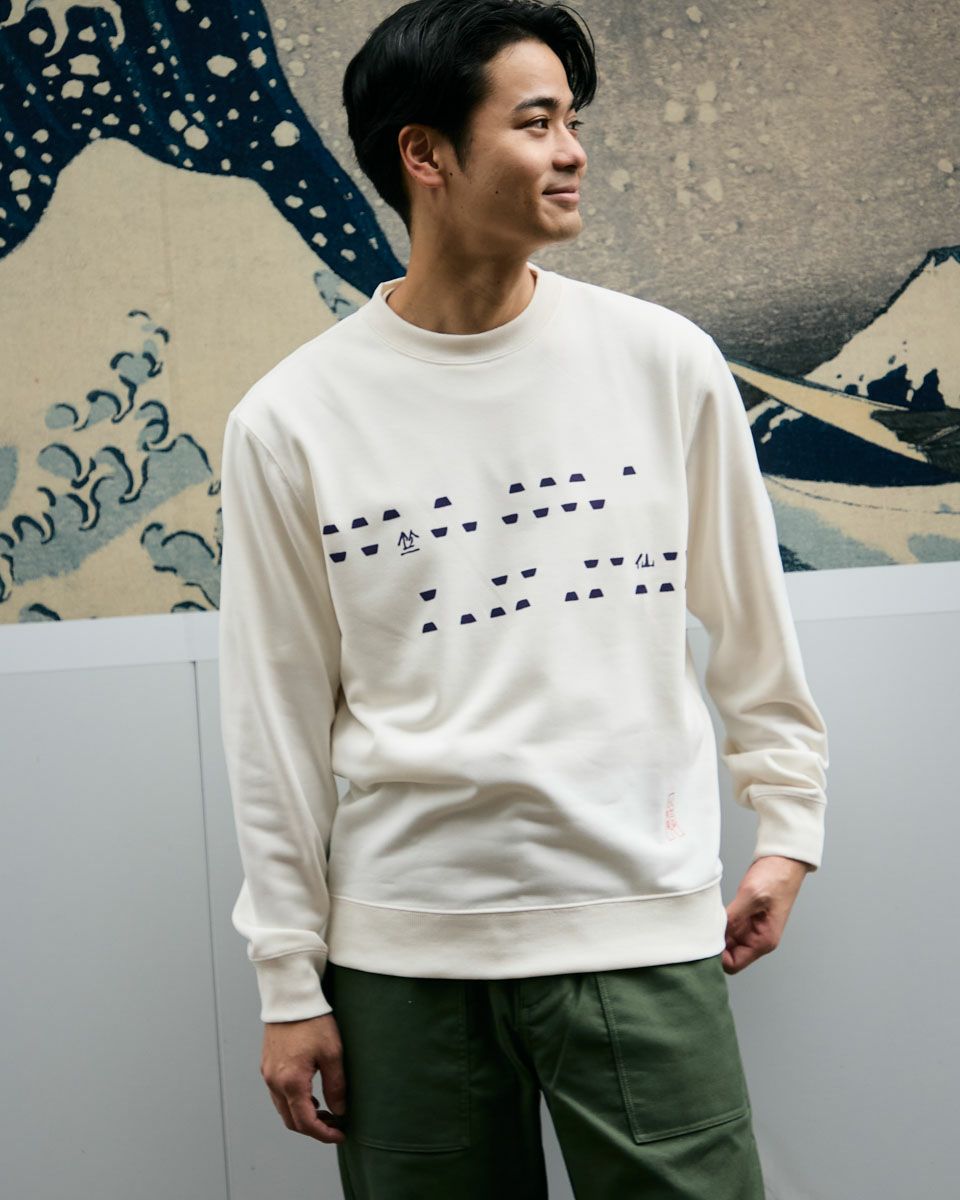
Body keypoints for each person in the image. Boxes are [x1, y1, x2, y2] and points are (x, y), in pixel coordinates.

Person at [216, 1, 830, 1196]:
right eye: (537, 122)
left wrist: (790, 828)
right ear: (425, 154)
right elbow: (273, 723)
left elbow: (752, 623)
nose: (573, 152)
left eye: (573, 121)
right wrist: (288, 977)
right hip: (403, 955)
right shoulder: (290, 419)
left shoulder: (664, 363)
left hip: (637, 924)